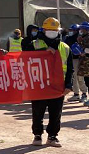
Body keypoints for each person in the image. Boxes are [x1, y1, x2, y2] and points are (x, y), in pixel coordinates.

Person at [30, 17, 72, 147]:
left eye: (55, 30)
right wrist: (44, 52)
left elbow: (70, 68)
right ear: (44, 30)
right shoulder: (34, 44)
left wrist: (68, 84)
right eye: (50, 30)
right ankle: (37, 135)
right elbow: (25, 60)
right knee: (38, 112)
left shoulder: (65, 47)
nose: (52, 32)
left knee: (56, 112)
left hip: (58, 86)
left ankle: (52, 136)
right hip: (39, 85)